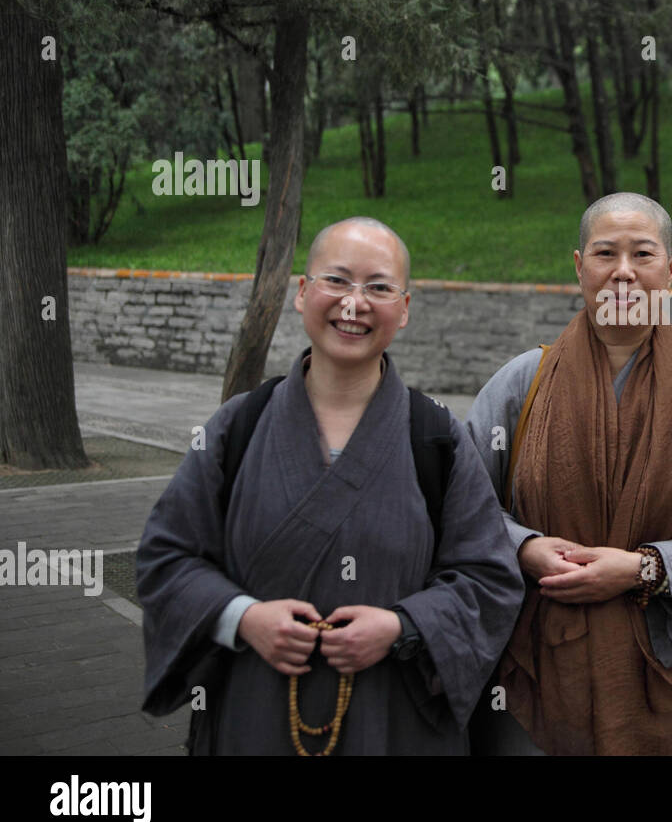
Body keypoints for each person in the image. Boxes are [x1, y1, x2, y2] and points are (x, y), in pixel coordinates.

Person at [136, 217, 524, 754]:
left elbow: (491, 580)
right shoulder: (237, 427)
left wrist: (402, 626)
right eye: (336, 280)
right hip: (255, 715)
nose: (354, 303)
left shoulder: (436, 438)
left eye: (379, 287)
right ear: (302, 292)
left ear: (404, 308)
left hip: (395, 722)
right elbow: (165, 557)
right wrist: (243, 617)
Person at [465, 192, 672, 755]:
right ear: (579, 266)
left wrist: (642, 568)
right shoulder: (521, 384)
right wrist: (524, 549)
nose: (623, 273)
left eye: (642, 254)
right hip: (538, 668)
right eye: (605, 253)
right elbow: (465, 513)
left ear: (670, 271)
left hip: (665, 676)